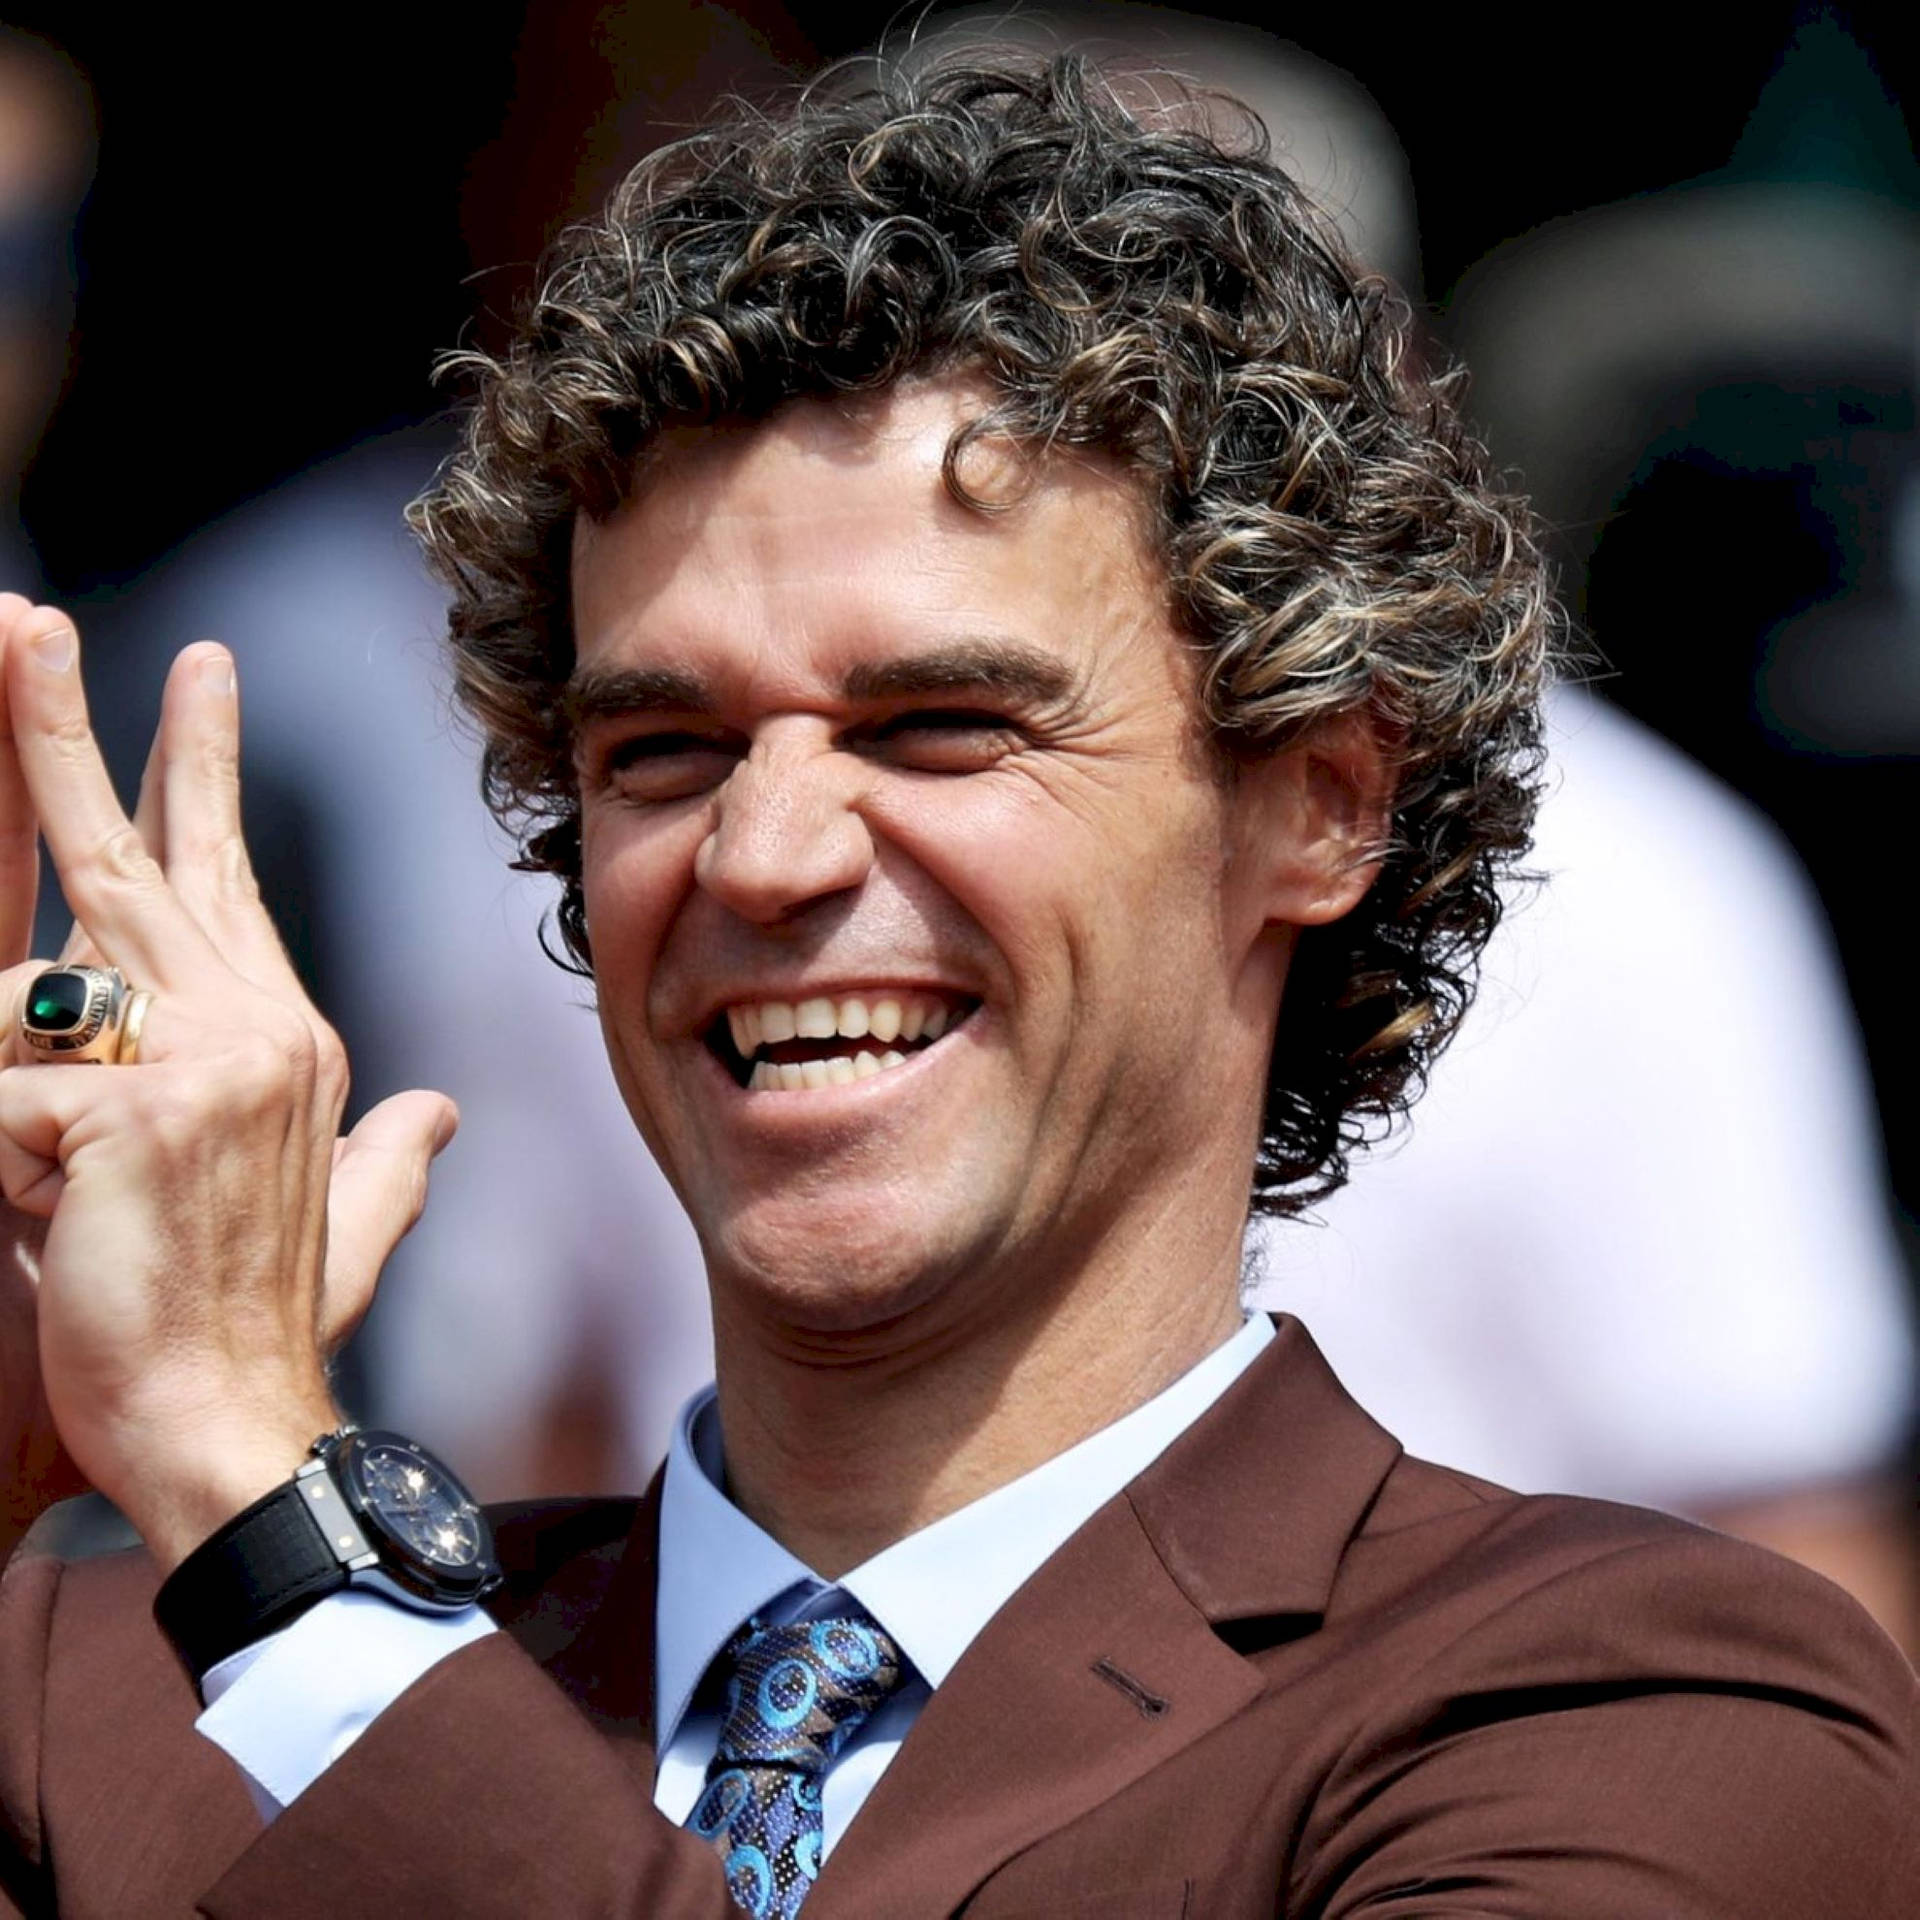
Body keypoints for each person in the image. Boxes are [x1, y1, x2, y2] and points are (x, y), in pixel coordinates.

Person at [0, 51, 1912, 1919]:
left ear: (1319, 804)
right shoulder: (104, 1690)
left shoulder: (1649, 1708)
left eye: (938, 726)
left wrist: (270, 1516)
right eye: (658, 753)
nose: (764, 853)